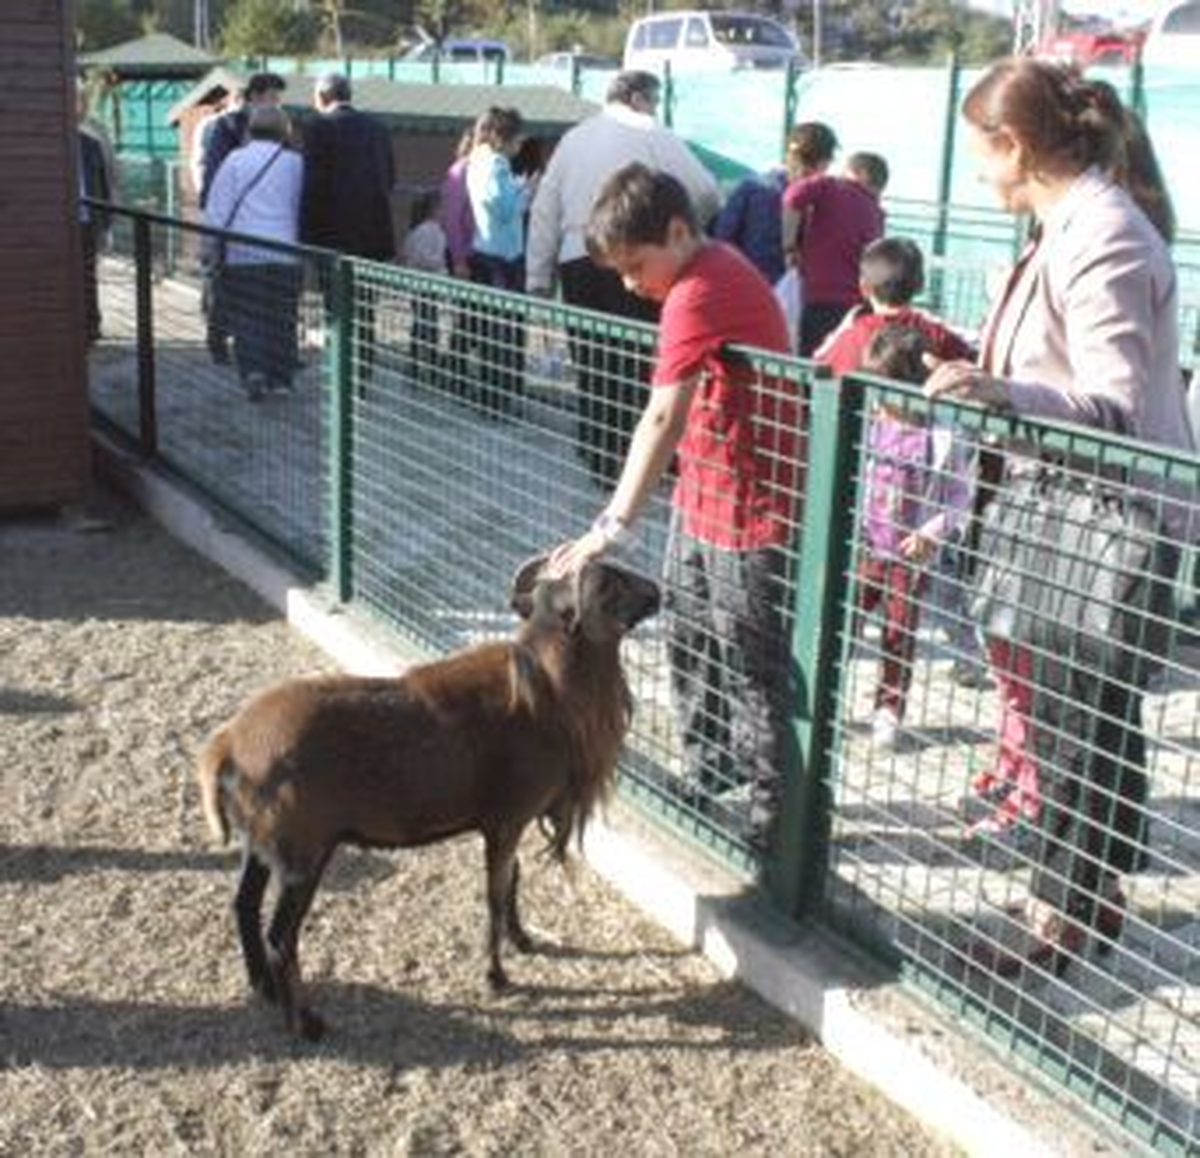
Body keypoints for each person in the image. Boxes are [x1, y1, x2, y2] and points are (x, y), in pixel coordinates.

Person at [924, 58, 1194, 978]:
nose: (979, 176)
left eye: (980, 154)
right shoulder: (1071, 225)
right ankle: (1089, 892)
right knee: (1087, 715)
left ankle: (1059, 910)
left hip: (1103, 519)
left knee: (1076, 720)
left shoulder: (1101, 232)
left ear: (1013, 145)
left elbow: (1113, 405)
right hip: (1074, 512)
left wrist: (1004, 393)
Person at [549, 163, 802, 853]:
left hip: (750, 506)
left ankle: (772, 810)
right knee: (689, 631)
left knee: (748, 656)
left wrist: (611, 526)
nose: (631, 284)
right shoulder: (694, 279)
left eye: (636, 265)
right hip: (705, 491)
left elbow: (662, 415)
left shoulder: (699, 289)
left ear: (679, 231)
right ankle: (709, 766)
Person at [525, 70, 722, 488]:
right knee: (642, 362)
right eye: (654, 100)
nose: (655, 109)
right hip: (638, 257)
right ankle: (646, 462)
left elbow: (545, 209)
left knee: (592, 360)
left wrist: (538, 278)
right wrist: (681, 237)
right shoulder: (651, 131)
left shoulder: (573, 139)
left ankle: (599, 456)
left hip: (577, 260)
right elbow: (706, 191)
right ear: (637, 99)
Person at [848, 324, 975, 751]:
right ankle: (825, 688)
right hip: (866, 546)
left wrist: (932, 532)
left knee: (899, 633)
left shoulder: (940, 436)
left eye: (885, 389)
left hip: (909, 557)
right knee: (845, 621)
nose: (879, 398)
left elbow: (960, 494)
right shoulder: (870, 422)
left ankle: (888, 710)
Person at [300, 73, 396, 388]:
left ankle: (341, 377)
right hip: (374, 236)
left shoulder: (318, 127)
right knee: (366, 310)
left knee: (336, 311)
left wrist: (306, 238)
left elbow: (312, 188)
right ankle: (362, 379)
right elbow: (390, 179)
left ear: (322, 97)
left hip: (331, 238)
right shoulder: (378, 128)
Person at [204, 106, 304, 401]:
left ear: (250, 129)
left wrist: (209, 246)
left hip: (243, 252)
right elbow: (302, 205)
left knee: (248, 316)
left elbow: (217, 208)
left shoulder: (235, 160)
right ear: (285, 131)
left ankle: (253, 372)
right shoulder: (296, 163)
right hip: (285, 250)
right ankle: (281, 379)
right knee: (283, 317)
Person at [198, 74, 286, 366]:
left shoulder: (278, 127)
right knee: (223, 284)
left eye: (278, 98)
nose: (277, 103)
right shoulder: (228, 126)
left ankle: (258, 347)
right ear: (255, 96)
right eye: (273, 97)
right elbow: (215, 174)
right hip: (231, 220)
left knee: (251, 288)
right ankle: (218, 342)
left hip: (263, 222)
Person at [781, 123, 886, 356]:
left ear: (854, 172)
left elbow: (792, 197)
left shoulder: (832, 186)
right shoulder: (877, 213)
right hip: (858, 306)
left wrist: (789, 247)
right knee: (842, 362)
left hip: (820, 297)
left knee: (810, 362)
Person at [465, 107, 530, 419]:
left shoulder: (476, 160)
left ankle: (491, 399)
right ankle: (496, 402)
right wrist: (526, 191)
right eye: (517, 137)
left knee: (490, 330)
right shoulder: (495, 163)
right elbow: (504, 209)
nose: (521, 143)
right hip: (501, 257)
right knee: (502, 333)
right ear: (502, 137)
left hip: (486, 251)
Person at [401, 188, 449, 384]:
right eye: (442, 208)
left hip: (420, 287)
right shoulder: (429, 231)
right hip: (426, 287)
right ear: (435, 209)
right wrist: (441, 265)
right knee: (428, 327)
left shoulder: (418, 231)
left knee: (421, 325)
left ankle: (416, 365)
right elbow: (425, 258)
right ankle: (429, 367)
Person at [77, 87, 113, 346]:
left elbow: (103, 185)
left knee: (88, 275)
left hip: (88, 220)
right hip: (61, 222)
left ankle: (92, 327)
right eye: (76, 102)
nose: (80, 108)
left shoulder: (91, 144)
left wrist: (106, 224)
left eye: (82, 103)